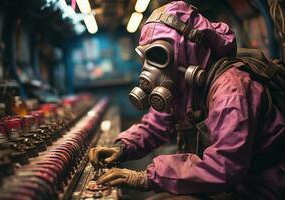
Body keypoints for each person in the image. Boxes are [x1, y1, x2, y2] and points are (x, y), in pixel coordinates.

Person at [89, 1, 285, 199]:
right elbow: (157, 125)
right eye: (146, 56)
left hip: (260, 188)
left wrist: (145, 177)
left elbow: (224, 166)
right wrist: (122, 147)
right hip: (234, 183)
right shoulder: (185, 85)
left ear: (190, 50)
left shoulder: (231, 92)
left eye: (159, 55)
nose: (150, 68)